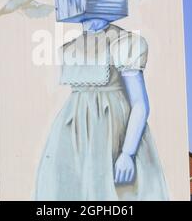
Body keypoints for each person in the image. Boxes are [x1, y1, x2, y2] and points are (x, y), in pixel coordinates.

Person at [35, 17, 169, 201]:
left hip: (112, 136)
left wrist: (127, 153)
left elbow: (140, 104)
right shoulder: (70, 47)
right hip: (74, 139)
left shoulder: (123, 42)